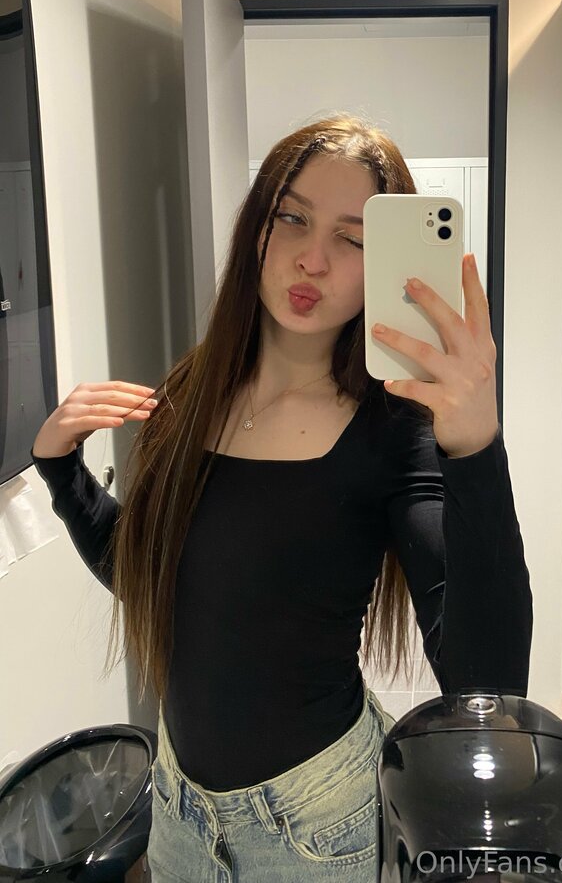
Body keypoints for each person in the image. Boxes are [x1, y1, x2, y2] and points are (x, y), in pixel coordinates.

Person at [30, 115, 533, 882]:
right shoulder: (192, 391)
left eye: (352, 238)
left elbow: (484, 683)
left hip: (316, 831)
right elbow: (155, 578)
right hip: (178, 811)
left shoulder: (393, 430)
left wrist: (475, 450)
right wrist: (59, 471)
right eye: (292, 217)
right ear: (256, 231)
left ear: (383, 262)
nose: (312, 258)